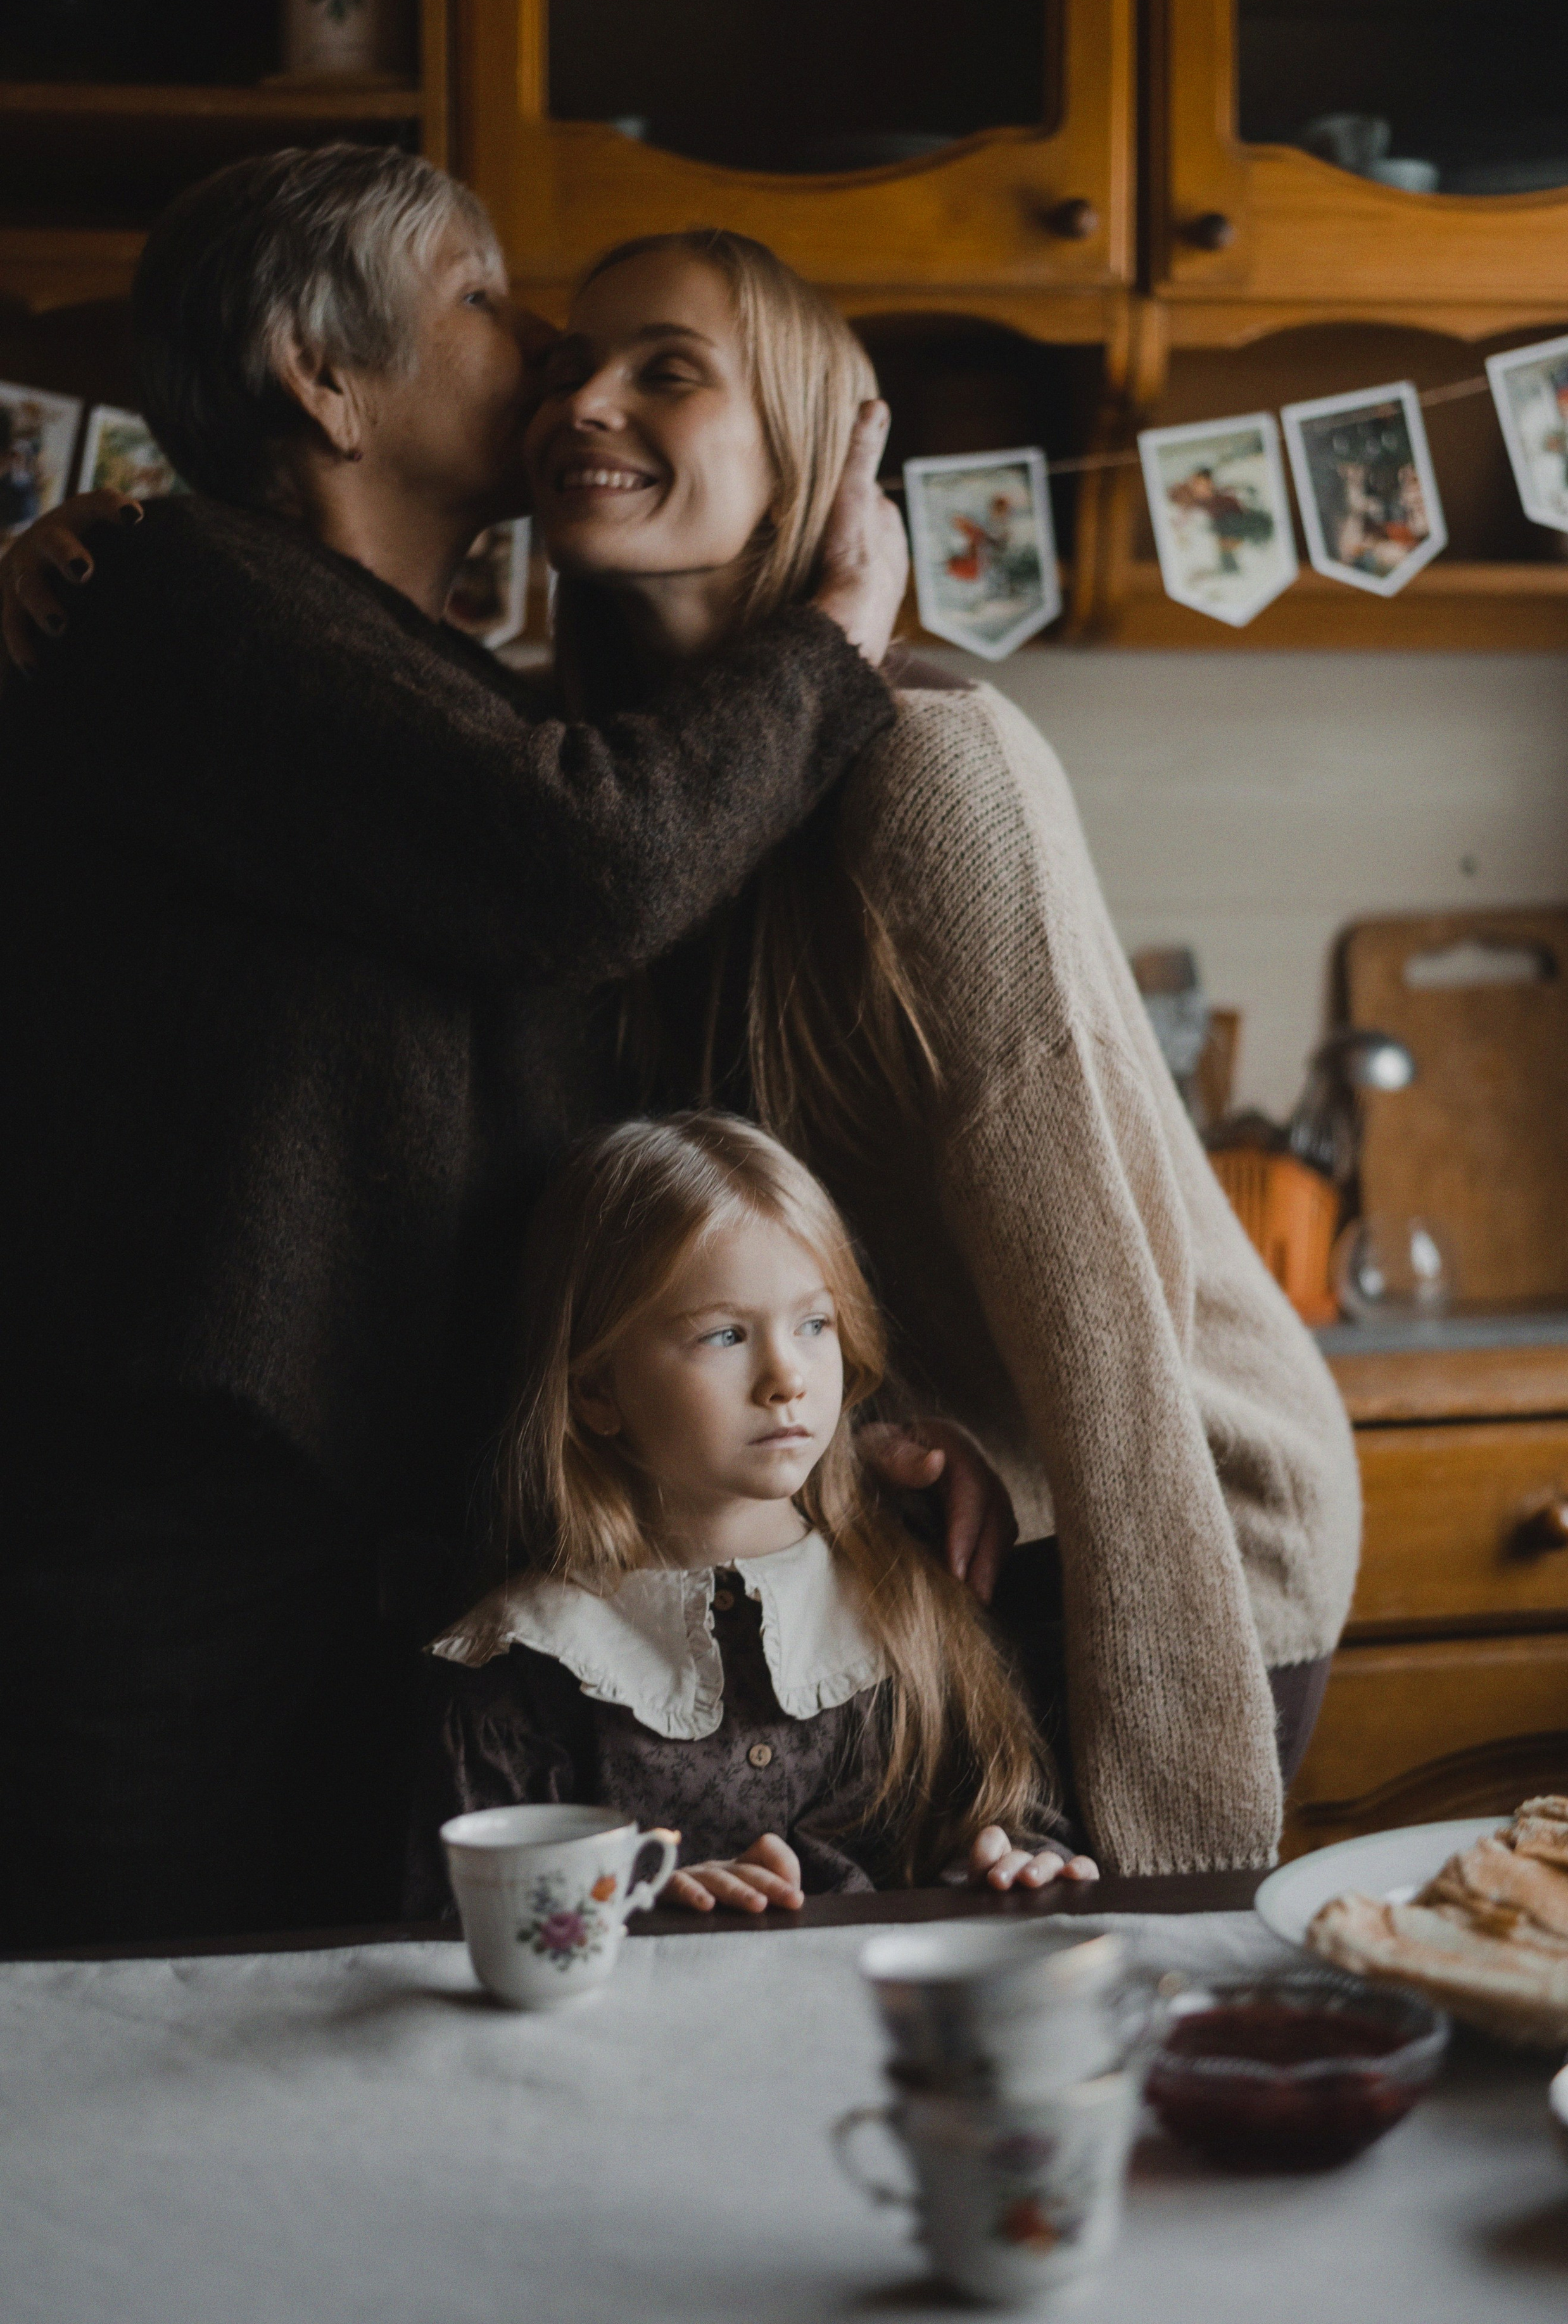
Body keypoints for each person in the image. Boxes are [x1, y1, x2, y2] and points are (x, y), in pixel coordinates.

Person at [0, 148, 983, 1950]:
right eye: (480, 297)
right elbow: (598, 860)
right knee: (158, 2052)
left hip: (345, 1552)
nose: (538, 347)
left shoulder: (399, 671)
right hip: (187, 1572)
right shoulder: (190, 597)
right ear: (323, 377)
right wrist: (838, 635)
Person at [522, 228, 1363, 1876]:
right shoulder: (621, 792)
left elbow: (1097, 1311)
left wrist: (1179, 1848)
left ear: (803, 457)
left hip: (1171, 1528)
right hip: (939, 1519)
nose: (584, 401)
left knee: (1072, 1992)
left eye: (665, 370)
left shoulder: (933, 774)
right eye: (564, 365)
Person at [411, 1112, 1097, 1913]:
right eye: (725, 1334)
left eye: (814, 1324)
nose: (786, 1377)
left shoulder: (906, 1595)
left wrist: (1010, 1859)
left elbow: (1009, 1808)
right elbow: (465, 1926)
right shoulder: (526, 1668)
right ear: (597, 1389)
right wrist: (638, 1907)